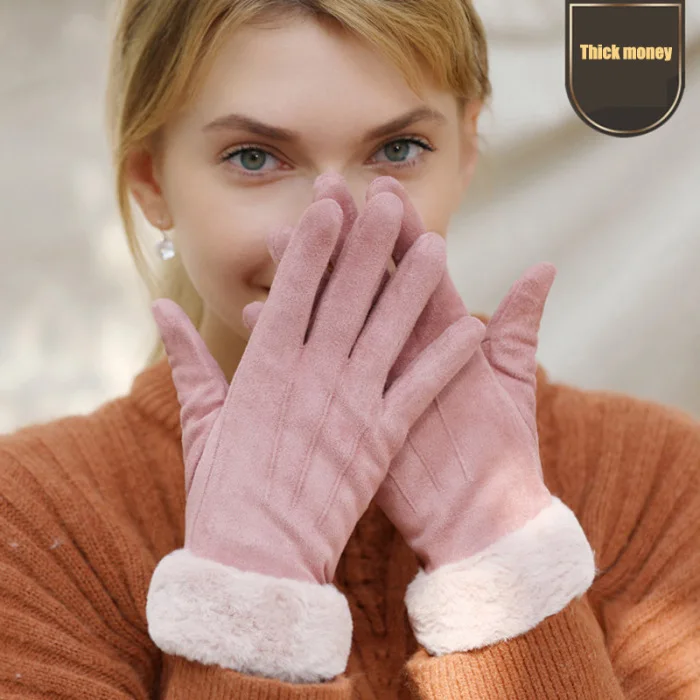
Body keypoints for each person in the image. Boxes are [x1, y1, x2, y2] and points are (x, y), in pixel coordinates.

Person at [0, 1, 698, 698]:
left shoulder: (662, 484)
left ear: (467, 150)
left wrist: (503, 565)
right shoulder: (29, 517)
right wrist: (251, 610)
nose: (334, 227)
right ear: (152, 181)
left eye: (397, 150)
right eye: (254, 157)